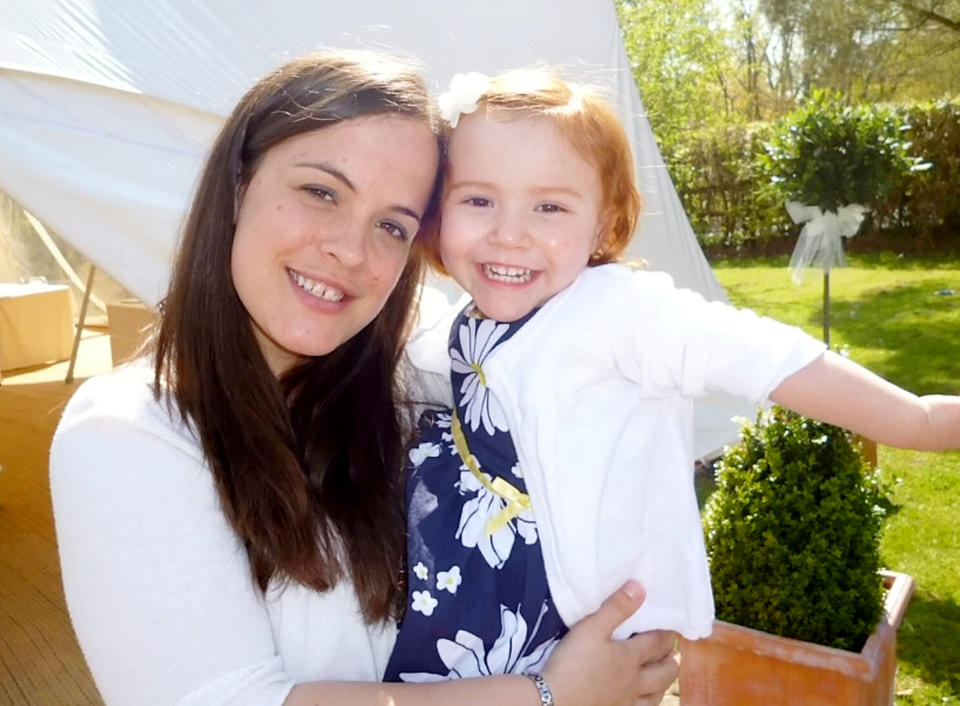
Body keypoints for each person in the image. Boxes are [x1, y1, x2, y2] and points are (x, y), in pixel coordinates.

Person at [49, 51, 679, 706]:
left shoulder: (427, 387)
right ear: (239, 184)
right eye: (321, 192)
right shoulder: (128, 433)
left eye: (391, 225)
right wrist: (547, 695)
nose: (351, 251)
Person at [386, 68, 960, 688]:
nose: (509, 231)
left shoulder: (616, 312)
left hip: (565, 619)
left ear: (604, 226)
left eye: (549, 205)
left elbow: (762, 354)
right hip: (469, 587)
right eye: (479, 199)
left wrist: (917, 419)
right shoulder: (465, 322)